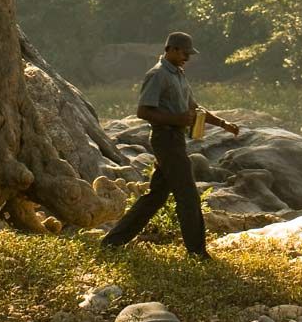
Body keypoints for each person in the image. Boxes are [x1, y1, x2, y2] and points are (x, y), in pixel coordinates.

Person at [102, 31, 239, 259]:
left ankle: (112, 242)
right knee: (188, 196)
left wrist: (223, 124)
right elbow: (143, 111)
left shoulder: (178, 75)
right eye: (185, 53)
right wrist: (175, 120)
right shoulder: (157, 75)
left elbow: (194, 107)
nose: (188, 57)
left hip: (175, 139)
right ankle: (197, 253)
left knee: (156, 197)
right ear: (172, 49)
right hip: (165, 139)